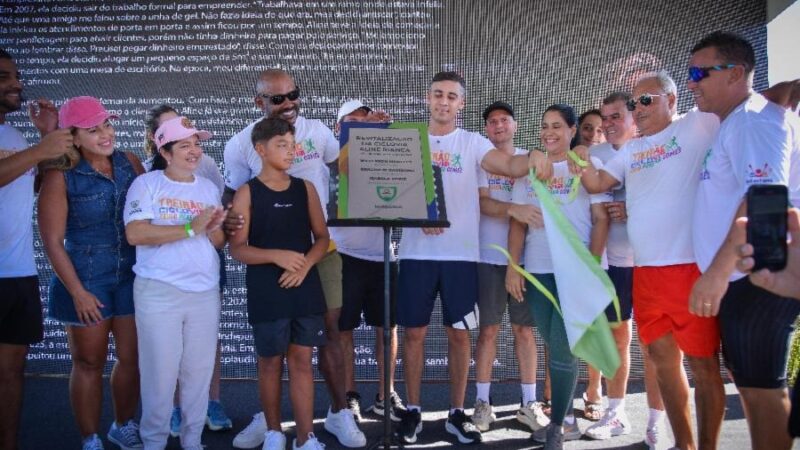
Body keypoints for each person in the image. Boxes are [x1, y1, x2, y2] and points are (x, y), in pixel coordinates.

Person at [394, 71, 551, 445]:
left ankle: (455, 412)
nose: (444, 102)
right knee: (413, 334)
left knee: (460, 336)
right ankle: (413, 410)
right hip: (416, 255)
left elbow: (511, 167)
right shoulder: (408, 140)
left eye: (451, 96)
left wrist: (536, 155)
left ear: (461, 104)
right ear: (428, 99)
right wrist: (415, 213)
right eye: (438, 95)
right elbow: (389, 194)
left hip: (462, 257)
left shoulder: (474, 142)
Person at [576, 71, 725, 450]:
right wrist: (575, 156)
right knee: (662, 361)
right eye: (635, 102)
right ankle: (684, 444)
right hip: (646, 274)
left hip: (690, 269)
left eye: (647, 100)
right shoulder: (632, 150)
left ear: (672, 101)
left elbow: (745, 99)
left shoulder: (698, 124)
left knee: (704, 367)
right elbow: (594, 185)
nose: (638, 108)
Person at [224, 69, 365, 449]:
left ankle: (336, 414)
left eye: (293, 95)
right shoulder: (239, 145)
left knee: (329, 334)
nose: (288, 104)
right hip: (269, 264)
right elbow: (231, 199)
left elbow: (352, 165)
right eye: (277, 99)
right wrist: (234, 221)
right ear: (259, 103)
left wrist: (374, 134)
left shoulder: (318, 131)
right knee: (271, 354)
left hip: (320, 254)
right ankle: (271, 422)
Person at [687, 31, 800, 450]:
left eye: (701, 72)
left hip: (760, 276)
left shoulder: (752, 119)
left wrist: (716, 274)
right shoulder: (743, 118)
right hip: (746, 277)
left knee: (762, 391)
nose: (692, 82)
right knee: (753, 387)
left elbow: (764, 201)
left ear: (736, 73)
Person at [38, 96, 144, 450]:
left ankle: (123, 425)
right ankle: (90, 438)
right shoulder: (60, 174)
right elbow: (52, 241)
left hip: (132, 275)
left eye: (107, 125)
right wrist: (78, 292)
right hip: (84, 278)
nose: (105, 134)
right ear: (73, 136)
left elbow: (153, 206)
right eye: (92, 129)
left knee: (133, 357)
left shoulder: (129, 162)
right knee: (88, 361)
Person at [506, 104, 610, 449]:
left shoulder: (585, 165)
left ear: (571, 130)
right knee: (554, 346)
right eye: (544, 126)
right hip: (538, 273)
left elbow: (601, 219)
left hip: (573, 274)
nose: (549, 132)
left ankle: (557, 429)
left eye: (557, 126)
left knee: (564, 350)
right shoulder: (530, 171)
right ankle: (562, 420)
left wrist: (591, 267)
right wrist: (513, 267)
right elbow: (518, 224)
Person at [124, 116, 226, 450]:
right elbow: (135, 233)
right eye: (185, 145)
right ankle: (153, 443)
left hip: (204, 292)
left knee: (198, 374)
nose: (195, 151)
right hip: (159, 292)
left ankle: (192, 442)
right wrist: (188, 228)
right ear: (165, 151)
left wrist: (220, 226)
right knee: (160, 375)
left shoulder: (208, 187)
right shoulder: (147, 184)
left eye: (197, 143)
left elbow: (216, 241)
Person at [229, 117, 330, 450]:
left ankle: (306, 437)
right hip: (267, 290)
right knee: (270, 362)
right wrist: (277, 256)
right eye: (281, 145)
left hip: (305, 286)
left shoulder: (306, 188)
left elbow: (322, 238)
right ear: (260, 149)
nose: (290, 151)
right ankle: (274, 432)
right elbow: (238, 249)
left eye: (292, 144)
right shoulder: (246, 193)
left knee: (302, 361)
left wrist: (303, 267)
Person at [582, 92, 667, 449]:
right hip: (613, 265)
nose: (609, 123)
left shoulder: (656, 150)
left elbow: (672, 201)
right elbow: (595, 204)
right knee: (618, 339)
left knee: (656, 347)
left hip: (650, 262)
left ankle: (656, 421)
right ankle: (615, 412)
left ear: (634, 117)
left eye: (617, 116)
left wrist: (635, 208)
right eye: (606, 118)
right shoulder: (594, 156)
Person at [0, 49, 73, 450]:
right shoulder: (22, 145)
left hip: (18, 273)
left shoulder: (14, 137)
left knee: (12, 373)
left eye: (15, 75)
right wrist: (39, 150)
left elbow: (30, 188)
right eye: (3, 76)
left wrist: (46, 140)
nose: (16, 83)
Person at [470, 101, 547, 434]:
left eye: (504, 120)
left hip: (525, 262)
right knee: (488, 331)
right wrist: (514, 209)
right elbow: (483, 203)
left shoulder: (531, 162)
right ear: (486, 129)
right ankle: (483, 403)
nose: (498, 126)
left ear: (515, 125)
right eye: (492, 122)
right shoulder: (480, 160)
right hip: (487, 260)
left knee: (524, 332)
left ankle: (529, 404)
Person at [332, 100, 406, 423]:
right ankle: (350, 396)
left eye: (364, 120)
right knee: (343, 329)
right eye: (352, 122)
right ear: (340, 127)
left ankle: (385, 394)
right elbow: (347, 167)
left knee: (387, 328)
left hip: (382, 256)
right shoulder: (330, 157)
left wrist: (382, 135)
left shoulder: (383, 153)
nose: (360, 125)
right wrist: (361, 133)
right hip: (343, 255)